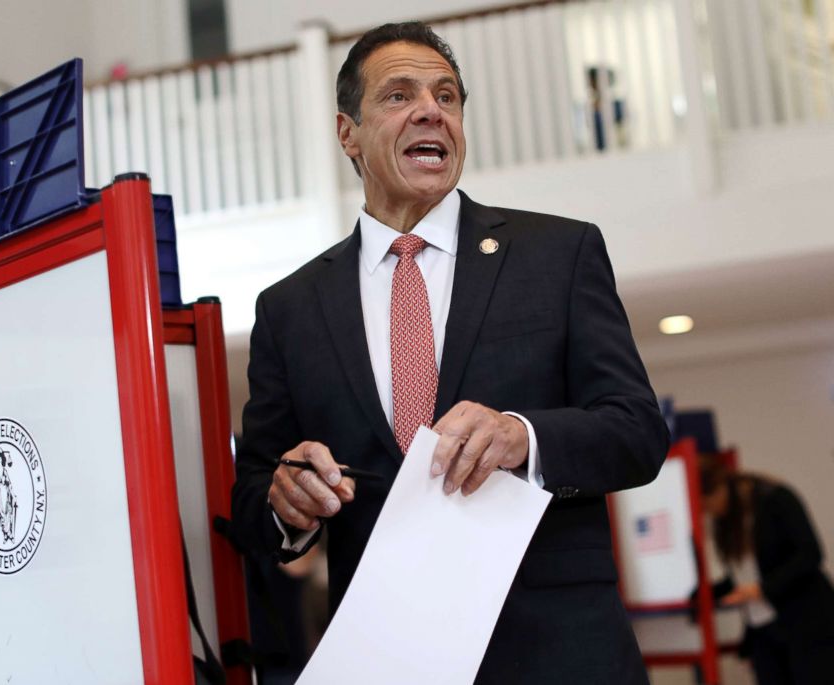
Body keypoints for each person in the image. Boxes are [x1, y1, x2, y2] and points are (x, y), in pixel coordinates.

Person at [231, 21, 668, 684]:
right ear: (347, 132)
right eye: (399, 95)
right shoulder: (289, 309)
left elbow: (637, 431)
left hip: (557, 655)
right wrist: (285, 501)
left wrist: (521, 434)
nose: (431, 110)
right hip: (388, 659)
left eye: (447, 96)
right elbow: (256, 494)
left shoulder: (558, 255)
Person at [700, 459, 834, 684]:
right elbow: (745, 575)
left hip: (807, 623)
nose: (709, 513)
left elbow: (810, 554)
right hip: (764, 631)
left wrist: (761, 589)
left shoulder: (776, 499)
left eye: (707, 505)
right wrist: (708, 593)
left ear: (719, 490)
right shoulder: (728, 525)